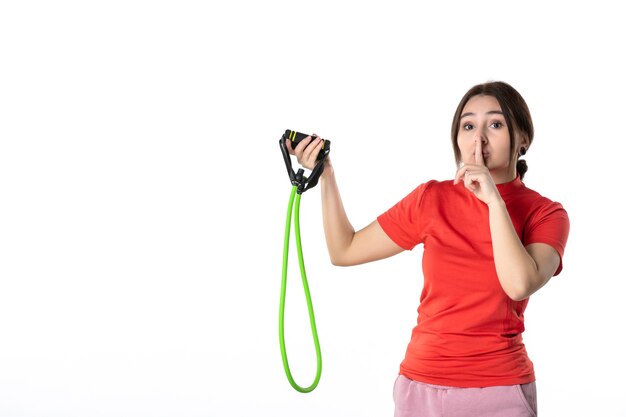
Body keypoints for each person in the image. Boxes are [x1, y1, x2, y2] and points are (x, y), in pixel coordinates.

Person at [286, 81, 569, 417]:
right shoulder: (432, 199)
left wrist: (493, 200)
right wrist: (326, 172)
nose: (478, 138)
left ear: (523, 138)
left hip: (500, 388)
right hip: (422, 387)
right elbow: (344, 250)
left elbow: (519, 283)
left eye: (495, 124)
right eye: (467, 126)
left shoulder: (546, 213)